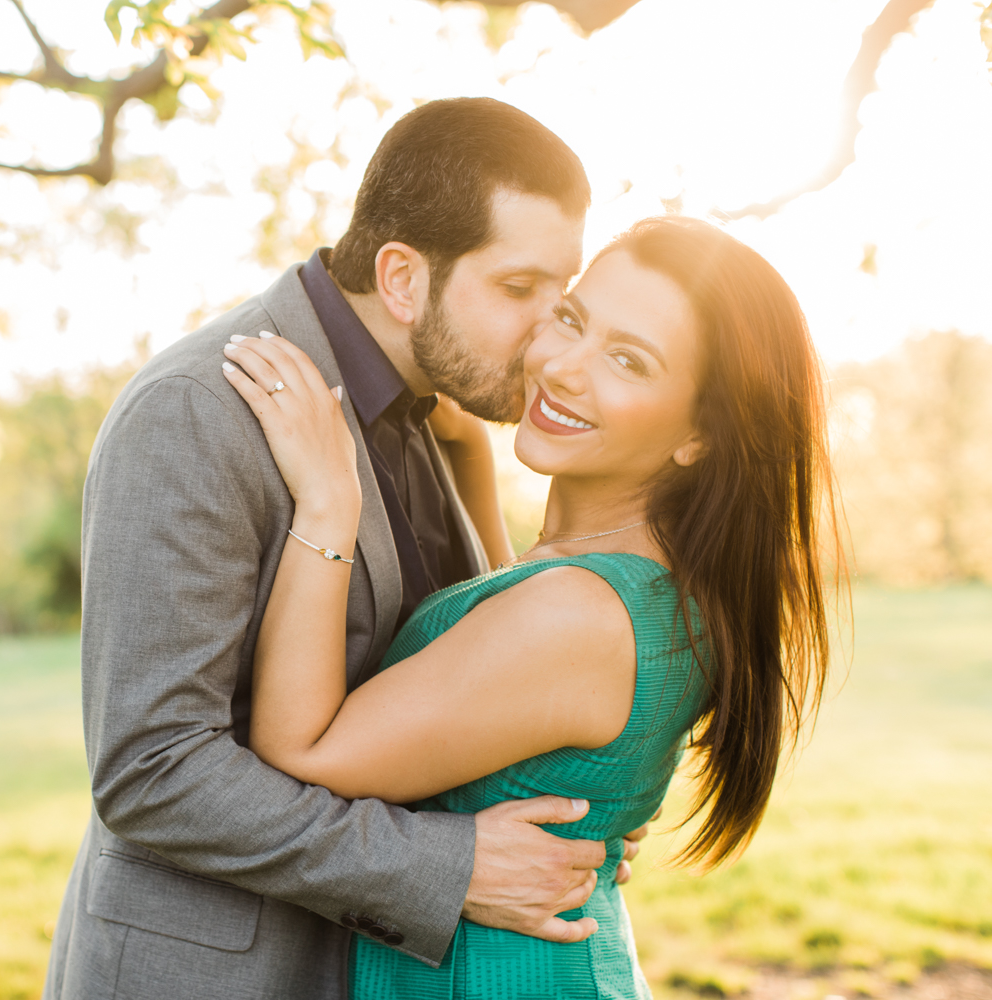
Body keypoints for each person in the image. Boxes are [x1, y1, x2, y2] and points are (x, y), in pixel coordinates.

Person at [44, 98, 659, 1000]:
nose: (546, 337)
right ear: (403, 279)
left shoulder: (437, 416)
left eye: (557, 297)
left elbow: (438, 687)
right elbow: (153, 772)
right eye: (518, 291)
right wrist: (451, 865)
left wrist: (557, 794)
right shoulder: (198, 413)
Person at [218, 213, 838, 998]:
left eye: (629, 361)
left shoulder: (577, 619)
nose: (565, 367)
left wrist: (329, 503)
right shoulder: (637, 582)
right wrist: (471, 437)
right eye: (572, 320)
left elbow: (304, 752)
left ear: (699, 436)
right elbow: (505, 617)